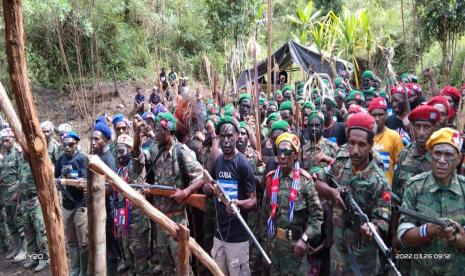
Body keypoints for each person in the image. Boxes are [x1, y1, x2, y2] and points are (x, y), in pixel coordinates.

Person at [315, 113, 392, 275]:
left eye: (362, 144)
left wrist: (373, 228)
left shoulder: (380, 181)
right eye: (351, 143)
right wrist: (333, 193)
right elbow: (318, 182)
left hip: (362, 261)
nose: (355, 150)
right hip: (337, 254)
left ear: (371, 144)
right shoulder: (341, 161)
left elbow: (383, 219)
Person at [137, 111, 204, 275]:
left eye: (159, 130)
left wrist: (185, 193)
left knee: (183, 265)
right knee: (166, 267)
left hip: (177, 220)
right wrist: (149, 191)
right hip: (161, 221)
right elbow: (138, 156)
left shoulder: (182, 152)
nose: (156, 133)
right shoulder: (157, 152)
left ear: (169, 132)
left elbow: (203, 176)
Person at [397, 127, 465, 275]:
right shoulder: (415, 186)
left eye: (448, 155)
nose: (441, 160)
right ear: (430, 155)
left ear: (459, 159)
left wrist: (457, 238)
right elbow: (404, 238)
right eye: (437, 154)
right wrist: (428, 230)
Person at [202, 115, 256, 276]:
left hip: (237, 238)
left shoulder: (243, 164)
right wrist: (209, 188)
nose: (226, 140)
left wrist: (237, 204)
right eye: (222, 136)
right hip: (219, 235)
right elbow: (209, 184)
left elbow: (253, 201)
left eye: (229, 136)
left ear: (237, 136)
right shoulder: (218, 161)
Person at [263, 132, 323, 275]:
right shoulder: (271, 179)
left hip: (296, 248)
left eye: (287, 152)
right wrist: (264, 247)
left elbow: (317, 218)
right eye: (279, 152)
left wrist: (305, 238)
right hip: (274, 247)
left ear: (295, 155)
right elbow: (264, 217)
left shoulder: (305, 182)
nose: (282, 156)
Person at [114, 132, 151, 275]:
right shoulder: (119, 169)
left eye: (122, 151)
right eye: (117, 152)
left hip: (137, 223)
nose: (118, 156)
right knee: (130, 262)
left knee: (141, 263)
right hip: (124, 222)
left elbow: (137, 154)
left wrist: (137, 131)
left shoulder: (135, 165)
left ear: (130, 150)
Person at [55, 131, 88, 276]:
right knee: (71, 240)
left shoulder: (82, 159)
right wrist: (61, 178)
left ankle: (84, 270)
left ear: (76, 144)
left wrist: (72, 176)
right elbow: (56, 179)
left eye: (70, 144)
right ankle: (75, 268)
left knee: (83, 241)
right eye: (65, 145)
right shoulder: (61, 159)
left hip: (80, 204)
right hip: (67, 204)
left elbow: (86, 180)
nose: (67, 147)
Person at [392, 105, 441, 200]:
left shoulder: (441, 156)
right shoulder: (405, 153)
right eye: (417, 126)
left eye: (426, 127)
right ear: (412, 127)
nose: (421, 132)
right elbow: (396, 189)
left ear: (435, 128)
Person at [237, 121, 264, 275]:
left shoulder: (254, 156)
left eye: (244, 133)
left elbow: (261, 183)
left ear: (248, 137)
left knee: (252, 247)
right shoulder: (228, 155)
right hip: (235, 207)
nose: (240, 136)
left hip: (252, 209)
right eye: (238, 133)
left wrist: (246, 169)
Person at [18, 153, 49, 272]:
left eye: (24, 152)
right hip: (24, 202)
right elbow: (20, 185)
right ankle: (34, 258)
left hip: (35, 201)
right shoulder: (21, 163)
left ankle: (44, 259)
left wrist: (41, 200)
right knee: (29, 233)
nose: (22, 154)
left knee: (40, 232)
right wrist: (18, 204)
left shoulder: (36, 163)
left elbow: (44, 184)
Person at [0, 128, 26, 262]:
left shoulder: (18, 152)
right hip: (6, 193)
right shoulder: (6, 154)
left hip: (16, 193)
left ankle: (24, 250)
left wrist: (19, 195)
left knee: (19, 222)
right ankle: (16, 249)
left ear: (12, 138)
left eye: (7, 140)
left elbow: (22, 176)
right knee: (10, 223)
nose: (4, 143)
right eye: (2, 141)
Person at [368, 97, 404, 185]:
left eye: (380, 115)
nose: (377, 119)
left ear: (386, 115)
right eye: (374, 115)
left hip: (387, 191)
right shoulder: (364, 136)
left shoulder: (394, 136)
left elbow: (400, 166)